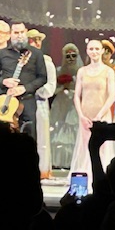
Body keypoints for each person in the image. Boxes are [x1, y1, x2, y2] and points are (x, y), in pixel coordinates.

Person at [69, 39, 115, 189]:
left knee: (102, 147)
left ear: (102, 51)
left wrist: (100, 115)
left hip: (102, 115)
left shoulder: (108, 71)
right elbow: (77, 95)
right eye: (91, 49)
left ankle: (102, 182)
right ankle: (85, 180)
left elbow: (111, 96)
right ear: (87, 51)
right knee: (85, 147)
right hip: (85, 116)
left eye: (97, 49)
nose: (94, 52)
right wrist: (82, 116)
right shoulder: (82, 71)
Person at [0, 20, 47, 140]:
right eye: (16, 32)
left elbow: (42, 78)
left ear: (26, 32)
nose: (19, 35)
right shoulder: (2, 54)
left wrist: (24, 88)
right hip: (6, 101)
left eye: (22, 32)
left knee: (29, 136)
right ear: (10, 34)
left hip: (27, 101)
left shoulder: (36, 54)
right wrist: (4, 81)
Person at [26, 29, 57, 179]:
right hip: (23, 104)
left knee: (41, 137)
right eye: (32, 40)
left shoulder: (46, 62)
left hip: (39, 103)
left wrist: (33, 89)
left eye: (38, 40)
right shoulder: (21, 61)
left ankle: (42, 170)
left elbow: (50, 86)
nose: (36, 43)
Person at [50, 43, 83, 169]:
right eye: (68, 56)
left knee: (73, 128)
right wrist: (62, 86)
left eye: (73, 55)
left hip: (74, 104)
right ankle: (58, 161)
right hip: (60, 102)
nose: (71, 58)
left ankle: (73, 161)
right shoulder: (58, 70)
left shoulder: (82, 71)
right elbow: (53, 90)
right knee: (58, 128)